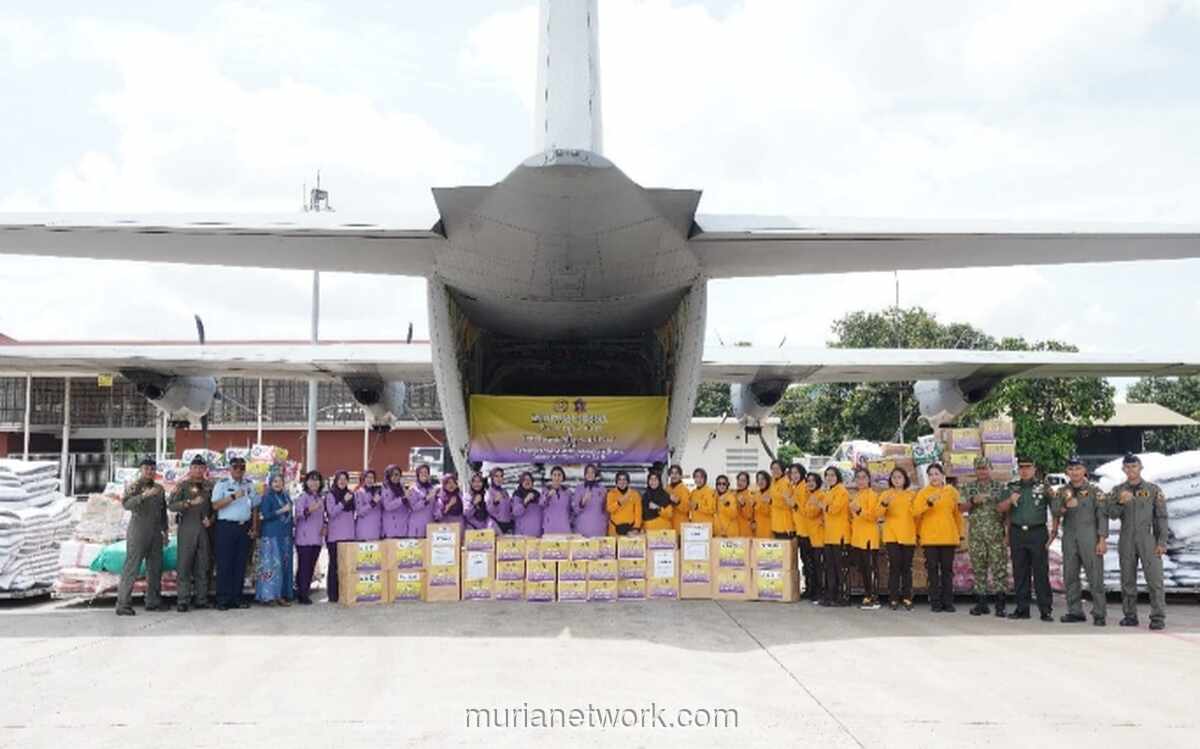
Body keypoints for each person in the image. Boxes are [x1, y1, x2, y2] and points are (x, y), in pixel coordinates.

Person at [1105, 453, 1168, 630]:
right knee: (1127, 580)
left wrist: (1162, 542)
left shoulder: (1153, 489)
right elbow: (1110, 513)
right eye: (1127, 467)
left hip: (1147, 538)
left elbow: (1161, 517)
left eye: (1134, 466)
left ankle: (1157, 618)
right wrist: (1120, 501)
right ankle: (1130, 615)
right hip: (1126, 538)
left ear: (1140, 468)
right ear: (1123, 469)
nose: (1131, 470)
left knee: (1155, 580)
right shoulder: (1118, 490)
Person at [996, 456, 1054, 621]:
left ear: (1034, 469)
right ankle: (1022, 609)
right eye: (1022, 467)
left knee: (1041, 572)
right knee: (1020, 571)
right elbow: (1000, 508)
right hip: (1017, 533)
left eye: (1028, 467)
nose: (1025, 470)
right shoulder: (1012, 487)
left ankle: (1045, 609)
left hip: (1038, 532)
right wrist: (1010, 500)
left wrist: (1054, 531)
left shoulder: (1043, 488)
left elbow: (1056, 508)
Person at [1052, 455, 1108, 626]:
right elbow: (1055, 511)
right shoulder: (1062, 492)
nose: (1074, 472)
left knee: (1095, 577)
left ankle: (1099, 613)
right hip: (1069, 538)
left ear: (1084, 470)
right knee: (1070, 576)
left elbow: (1102, 516)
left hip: (1090, 538)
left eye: (1078, 468)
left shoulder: (1094, 491)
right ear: (1066, 471)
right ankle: (1075, 611)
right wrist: (1064, 507)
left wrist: (1102, 539)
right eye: (1071, 469)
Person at [115, 457, 168, 616]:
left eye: (152, 469)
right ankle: (123, 604)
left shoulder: (159, 488)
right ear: (141, 470)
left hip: (155, 532)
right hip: (138, 531)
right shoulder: (135, 486)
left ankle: (153, 601)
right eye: (147, 469)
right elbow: (126, 504)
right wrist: (144, 496)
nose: (150, 472)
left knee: (155, 568)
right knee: (132, 567)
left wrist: (165, 532)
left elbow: (163, 511)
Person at [958, 456, 1010, 617]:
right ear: (975, 470)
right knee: (979, 569)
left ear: (990, 469)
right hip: (976, 536)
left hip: (996, 535)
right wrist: (973, 500)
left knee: (999, 569)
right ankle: (982, 603)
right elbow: (960, 508)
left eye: (985, 468)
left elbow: (1008, 512)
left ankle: (1000, 604)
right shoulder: (969, 487)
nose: (982, 471)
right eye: (979, 468)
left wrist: (1007, 534)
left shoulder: (999, 487)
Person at [211, 456, 262, 610]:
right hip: (226, 527)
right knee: (225, 563)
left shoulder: (249, 485)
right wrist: (233, 496)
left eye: (242, 468)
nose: (239, 471)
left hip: (244, 527)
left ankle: (237, 597)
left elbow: (255, 507)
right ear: (230, 469)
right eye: (236, 467)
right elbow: (215, 505)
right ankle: (222, 599)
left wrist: (254, 527)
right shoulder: (222, 484)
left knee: (241, 563)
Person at [913, 463, 962, 613]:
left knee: (947, 571)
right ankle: (935, 601)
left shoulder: (951, 491)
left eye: (936, 474)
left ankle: (948, 602)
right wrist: (928, 503)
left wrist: (960, 535)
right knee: (932, 570)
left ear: (942, 475)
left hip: (948, 537)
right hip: (930, 538)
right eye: (931, 474)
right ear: (928, 477)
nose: (934, 477)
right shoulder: (923, 493)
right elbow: (915, 512)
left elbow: (957, 515)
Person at [168, 455, 213, 612]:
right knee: (184, 565)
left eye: (201, 468)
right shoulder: (182, 485)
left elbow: (215, 508)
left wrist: (211, 519)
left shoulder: (209, 486)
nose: (198, 470)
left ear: (205, 469)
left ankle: (201, 599)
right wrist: (187, 503)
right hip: (187, 527)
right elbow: (171, 505)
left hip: (204, 530)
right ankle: (183, 600)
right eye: (195, 467)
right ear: (190, 469)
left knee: (203, 565)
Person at [879, 467, 917, 611]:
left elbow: (916, 515)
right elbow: (878, 514)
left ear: (905, 479)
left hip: (908, 535)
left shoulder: (911, 495)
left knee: (906, 568)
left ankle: (907, 597)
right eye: (894, 477)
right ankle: (893, 598)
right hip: (892, 536)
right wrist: (884, 504)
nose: (896, 480)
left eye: (899, 477)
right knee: (894, 568)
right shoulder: (885, 494)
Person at [255, 473, 293, 606]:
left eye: (280, 481)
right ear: (270, 484)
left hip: (285, 536)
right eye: (275, 481)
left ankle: (281, 594)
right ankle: (268, 595)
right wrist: (281, 510)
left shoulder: (286, 496)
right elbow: (264, 516)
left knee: (283, 566)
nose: (278, 484)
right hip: (271, 536)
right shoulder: (267, 497)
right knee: (271, 566)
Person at [848, 467, 883, 610]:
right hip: (857, 538)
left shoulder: (873, 495)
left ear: (869, 479)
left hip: (868, 537)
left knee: (870, 568)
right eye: (858, 478)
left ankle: (873, 597)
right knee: (862, 568)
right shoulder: (856, 496)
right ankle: (867, 594)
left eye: (863, 477)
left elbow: (874, 516)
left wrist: (860, 510)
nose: (861, 480)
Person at [819, 467, 850, 607]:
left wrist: (824, 506)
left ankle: (842, 596)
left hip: (840, 536)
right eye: (827, 475)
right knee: (830, 567)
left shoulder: (841, 491)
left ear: (838, 476)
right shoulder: (829, 491)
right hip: (829, 536)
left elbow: (835, 509)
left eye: (832, 475)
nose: (830, 478)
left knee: (839, 568)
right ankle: (831, 595)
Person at [293, 470, 325, 605]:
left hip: (317, 537)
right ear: (306, 482)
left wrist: (325, 525)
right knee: (304, 566)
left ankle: (304, 590)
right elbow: (298, 514)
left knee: (311, 566)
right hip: (304, 537)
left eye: (317, 480)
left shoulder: (320, 497)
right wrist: (310, 509)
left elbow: (324, 515)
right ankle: (302, 594)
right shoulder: (303, 497)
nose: (314, 482)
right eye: (311, 480)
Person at [324, 470, 356, 603]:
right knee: (334, 566)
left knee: (347, 566)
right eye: (340, 479)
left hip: (349, 535)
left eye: (345, 479)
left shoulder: (351, 494)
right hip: (335, 536)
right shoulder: (331, 495)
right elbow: (331, 513)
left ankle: (346, 592)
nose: (342, 481)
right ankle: (333, 594)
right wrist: (343, 502)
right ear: (335, 481)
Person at [803, 472, 826, 604]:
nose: (810, 483)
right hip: (811, 535)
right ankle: (814, 591)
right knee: (813, 565)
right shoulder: (811, 496)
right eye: (808, 481)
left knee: (819, 566)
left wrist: (811, 505)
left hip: (819, 536)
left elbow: (812, 513)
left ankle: (820, 592)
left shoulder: (820, 495)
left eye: (813, 480)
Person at [572, 464, 609, 537]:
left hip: (598, 529)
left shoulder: (602, 489)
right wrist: (582, 502)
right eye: (588, 472)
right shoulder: (579, 488)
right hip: (581, 528)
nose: (590, 474)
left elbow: (606, 510)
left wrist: (605, 524)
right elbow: (575, 510)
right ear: (585, 474)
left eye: (592, 472)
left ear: (596, 474)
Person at [606, 471, 642, 536]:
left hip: (630, 530)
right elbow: (609, 509)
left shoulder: (635, 494)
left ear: (628, 481)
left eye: (624, 479)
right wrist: (619, 502)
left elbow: (638, 513)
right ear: (616, 481)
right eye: (619, 479)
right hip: (614, 530)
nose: (622, 482)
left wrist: (636, 528)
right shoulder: (611, 493)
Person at [407, 464, 438, 538]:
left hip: (430, 526)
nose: (424, 474)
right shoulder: (413, 489)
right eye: (421, 472)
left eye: (426, 472)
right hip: (417, 528)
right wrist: (426, 499)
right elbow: (412, 507)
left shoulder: (431, 488)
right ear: (418, 475)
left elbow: (434, 505)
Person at [541, 466, 574, 534]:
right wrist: (548, 496)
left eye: (559, 475)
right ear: (551, 477)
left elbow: (572, 510)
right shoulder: (545, 490)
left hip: (564, 528)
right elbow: (541, 504)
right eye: (554, 475)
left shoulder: (568, 492)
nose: (557, 478)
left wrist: (569, 521)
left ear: (562, 477)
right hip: (550, 528)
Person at [380, 465, 410, 539]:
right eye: (392, 475)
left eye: (398, 475)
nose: (395, 477)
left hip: (403, 527)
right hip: (392, 528)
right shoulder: (386, 488)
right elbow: (388, 506)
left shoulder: (402, 488)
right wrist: (402, 499)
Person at [510, 472, 543, 537]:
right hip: (522, 535)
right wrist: (525, 501)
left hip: (536, 535)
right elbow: (516, 512)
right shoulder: (517, 495)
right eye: (524, 480)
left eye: (529, 480)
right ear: (521, 482)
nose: (527, 481)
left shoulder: (537, 494)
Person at [768, 460, 795, 540]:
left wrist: (771, 501)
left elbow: (787, 503)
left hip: (785, 525)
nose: (775, 471)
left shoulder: (785, 483)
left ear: (783, 470)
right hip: (776, 524)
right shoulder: (774, 482)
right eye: (773, 469)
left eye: (777, 469)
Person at [354, 469, 383, 541]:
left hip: (376, 530)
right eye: (367, 477)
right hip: (364, 531)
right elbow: (360, 512)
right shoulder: (359, 492)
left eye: (372, 477)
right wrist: (372, 503)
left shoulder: (378, 492)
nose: (370, 480)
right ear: (363, 479)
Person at [485, 467, 514, 534]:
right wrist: (495, 502)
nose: (499, 479)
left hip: (507, 525)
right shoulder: (489, 492)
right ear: (492, 478)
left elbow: (509, 509)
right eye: (496, 476)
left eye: (501, 476)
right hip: (495, 525)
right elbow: (488, 510)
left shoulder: (504, 492)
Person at [666, 464, 691, 533]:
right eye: (672, 473)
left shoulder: (684, 489)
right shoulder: (667, 489)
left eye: (676, 473)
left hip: (681, 526)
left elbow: (687, 508)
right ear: (669, 475)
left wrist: (678, 502)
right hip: (669, 526)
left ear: (680, 475)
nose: (674, 476)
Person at [734, 472, 756, 537]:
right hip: (734, 530)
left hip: (745, 531)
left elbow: (749, 516)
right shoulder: (733, 494)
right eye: (739, 480)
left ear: (747, 483)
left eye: (743, 481)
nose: (740, 482)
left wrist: (743, 505)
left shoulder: (750, 496)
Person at [752, 471, 773, 539]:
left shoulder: (771, 493)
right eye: (759, 479)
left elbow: (768, 512)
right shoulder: (756, 494)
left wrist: (769, 502)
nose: (760, 482)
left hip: (768, 528)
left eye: (763, 479)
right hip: (757, 529)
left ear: (767, 480)